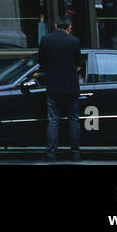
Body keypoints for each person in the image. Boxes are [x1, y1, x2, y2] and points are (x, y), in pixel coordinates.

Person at [37, 18, 83, 161]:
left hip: (53, 87)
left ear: (56, 26)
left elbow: (42, 63)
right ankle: (75, 154)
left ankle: (51, 154)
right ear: (68, 28)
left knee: (53, 121)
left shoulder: (45, 40)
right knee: (74, 120)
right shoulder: (74, 41)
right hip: (71, 88)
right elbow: (79, 65)